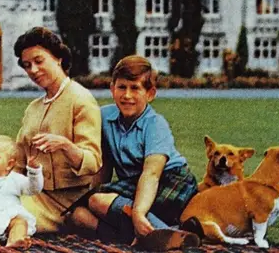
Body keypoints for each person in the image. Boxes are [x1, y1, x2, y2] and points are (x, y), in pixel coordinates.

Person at [69, 55, 200, 250]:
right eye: (122, 87)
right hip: (134, 186)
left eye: (135, 88)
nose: (127, 96)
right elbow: (104, 164)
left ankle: (169, 235)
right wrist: (90, 193)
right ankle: (156, 234)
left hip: (169, 180)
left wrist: (138, 212)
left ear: (150, 93)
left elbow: (151, 174)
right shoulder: (104, 116)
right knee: (78, 215)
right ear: (112, 89)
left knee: (98, 201)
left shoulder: (156, 124)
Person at [12, 26, 102, 233]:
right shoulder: (33, 108)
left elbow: (93, 162)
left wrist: (65, 145)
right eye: (27, 65)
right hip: (32, 191)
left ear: (58, 58)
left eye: (38, 61)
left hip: (66, 202)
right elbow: (18, 158)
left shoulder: (81, 99)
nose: (33, 70)